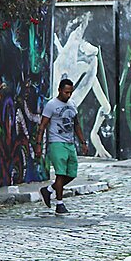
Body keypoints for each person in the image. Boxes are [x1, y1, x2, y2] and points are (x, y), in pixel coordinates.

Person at [34, 78, 88, 215]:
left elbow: (76, 124)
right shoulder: (51, 105)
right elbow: (42, 126)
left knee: (72, 174)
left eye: (70, 92)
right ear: (59, 90)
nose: (68, 95)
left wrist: (83, 142)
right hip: (56, 142)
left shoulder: (72, 104)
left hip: (70, 143)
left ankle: (49, 190)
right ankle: (59, 204)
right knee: (60, 173)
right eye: (66, 92)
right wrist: (38, 144)